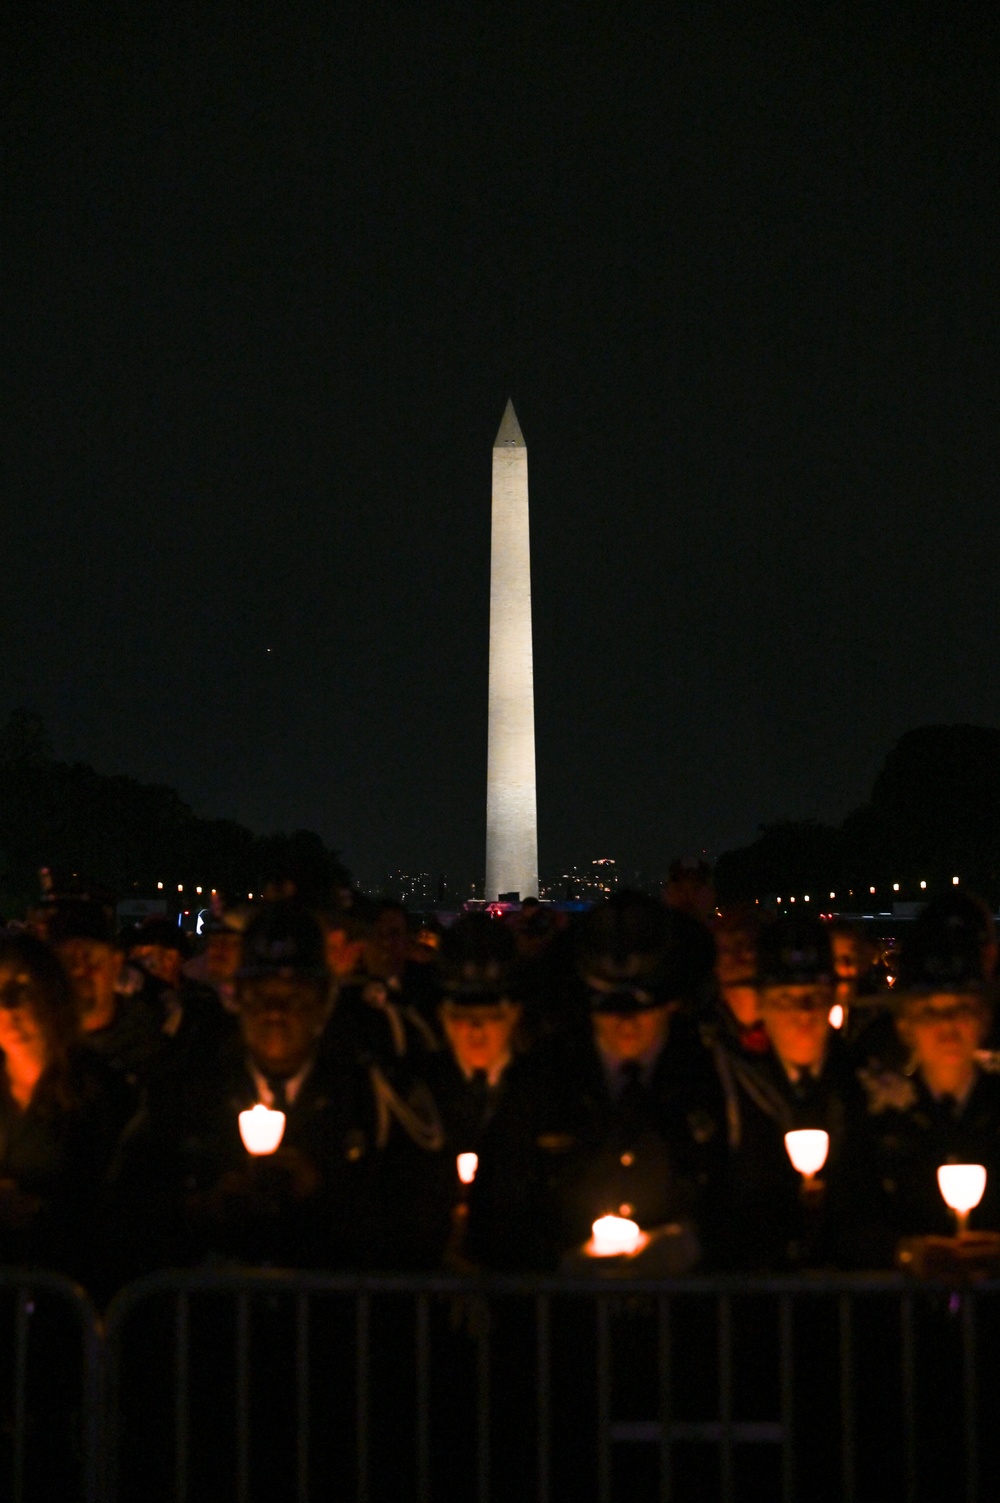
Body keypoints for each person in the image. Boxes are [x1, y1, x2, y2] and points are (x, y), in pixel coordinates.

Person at [111, 903, 448, 1277]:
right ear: (237, 997)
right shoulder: (188, 1083)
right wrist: (205, 1205)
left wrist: (325, 1193)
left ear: (324, 1003)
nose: (276, 1012)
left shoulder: (372, 1089)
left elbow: (423, 1213)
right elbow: (125, 1202)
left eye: (294, 996)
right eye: (261, 994)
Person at [544, 892, 724, 1271]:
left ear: (672, 1002)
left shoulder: (716, 1080)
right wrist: (559, 1259)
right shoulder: (543, 1083)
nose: (627, 1022)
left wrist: (692, 1244)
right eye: (611, 1006)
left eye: (642, 1004)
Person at [712, 915, 865, 1270]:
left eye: (813, 997)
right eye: (786, 999)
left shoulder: (862, 1078)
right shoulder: (725, 1080)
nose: (803, 1013)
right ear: (762, 1003)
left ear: (832, 997)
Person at [852, 897, 1000, 1261]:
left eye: (961, 1009)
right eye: (931, 1011)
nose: (948, 1026)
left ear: (983, 1020)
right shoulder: (874, 1110)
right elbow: (848, 1216)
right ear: (904, 1024)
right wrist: (904, 1252)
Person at [420, 914, 557, 1269]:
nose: (476, 1031)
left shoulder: (549, 1087)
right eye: (464, 1016)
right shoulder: (415, 1090)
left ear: (514, 1015)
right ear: (443, 1016)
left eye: (490, 1014)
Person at [0, 932, 132, 1280]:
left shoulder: (97, 1090)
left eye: (20, 989)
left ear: (52, 991)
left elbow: (119, 1204)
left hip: (66, 1285)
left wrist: (36, 1212)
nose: (8, 1007)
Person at [46, 898, 162, 1094]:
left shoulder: (152, 1046)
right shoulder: (36, 1041)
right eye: (66, 960)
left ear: (116, 964)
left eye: (88, 957)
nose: (78, 970)